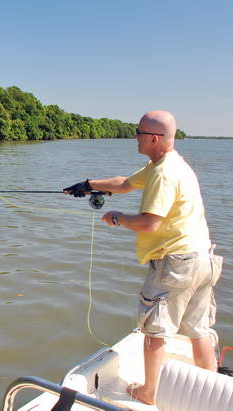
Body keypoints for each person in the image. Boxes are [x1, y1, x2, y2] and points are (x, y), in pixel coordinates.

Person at [64, 110, 223, 405]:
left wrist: (117, 217)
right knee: (199, 329)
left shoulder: (163, 173)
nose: (134, 137)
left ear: (153, 138)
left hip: (175, 264)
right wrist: (89, 184)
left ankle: (149, 392)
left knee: (155, 331)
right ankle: (212, 388)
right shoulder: (167, 163)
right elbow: (125, 183)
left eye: (138, 133)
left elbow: (150, 222)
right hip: (203, 259)